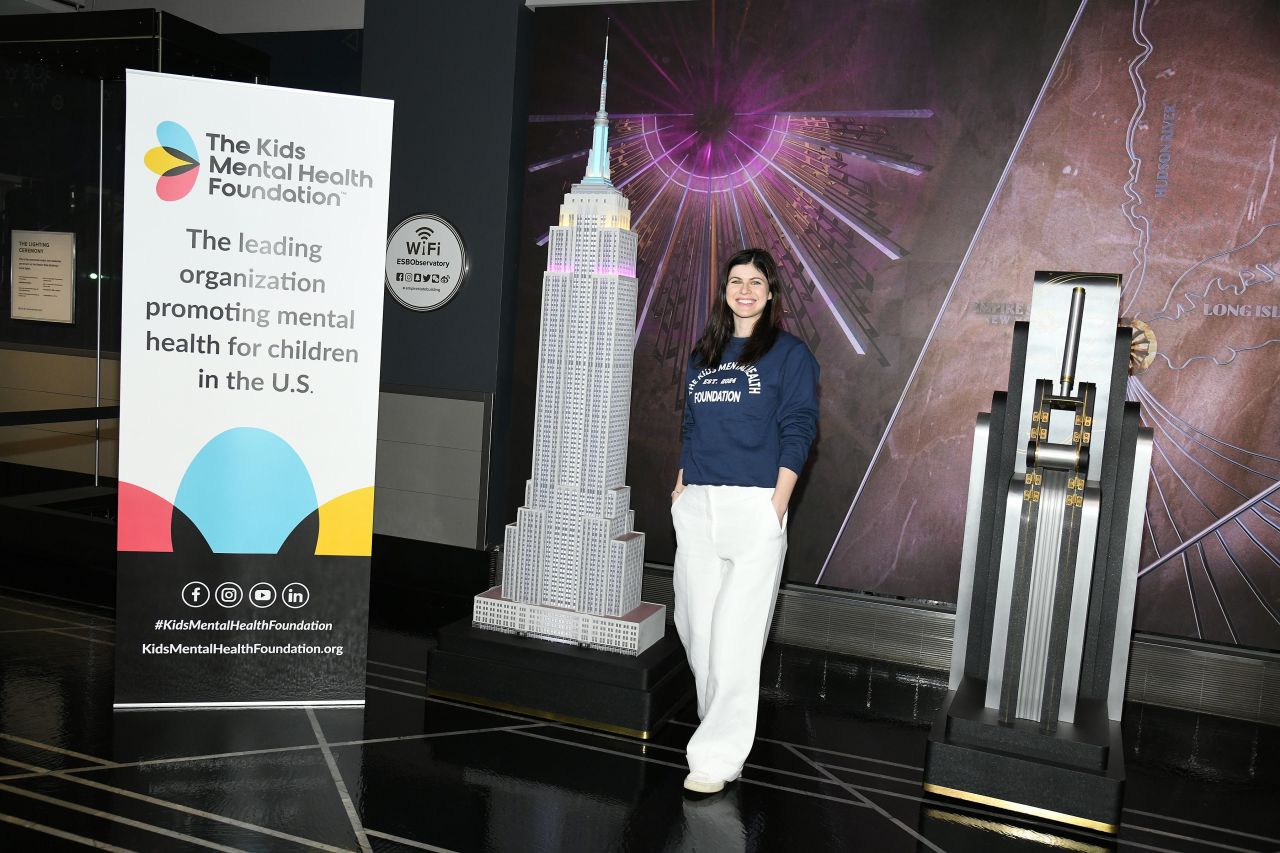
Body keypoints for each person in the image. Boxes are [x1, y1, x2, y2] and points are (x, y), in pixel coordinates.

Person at [670, 247, 819, 794]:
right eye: (736, 280)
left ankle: (716, 757)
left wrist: (777, 501)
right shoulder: (703, 353)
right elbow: (691, 421)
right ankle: (721, 725)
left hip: (754, 506)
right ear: (725, 290)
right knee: (696, 629)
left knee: (735, 638)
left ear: (771, 292)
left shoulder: (789, 354)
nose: (746, 290)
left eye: (757, 281)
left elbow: (800, 424)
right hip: (698, 505)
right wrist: (682, 480)